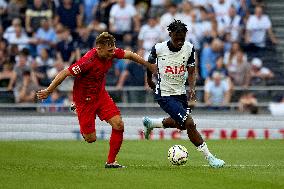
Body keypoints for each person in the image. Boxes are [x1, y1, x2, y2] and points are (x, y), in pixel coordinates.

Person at [37, 32, 155, 168]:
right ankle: (77, 109)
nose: (113, 53)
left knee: (119, 124)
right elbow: (65, 73)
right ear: (99, 48)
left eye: (113, 49)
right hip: (84, 100)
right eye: (110, 51)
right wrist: (49, 90)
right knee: (91, 139)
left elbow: (129, 54)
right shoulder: (87, 61)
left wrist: (148, 65)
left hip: (100, 95)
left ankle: (111, 162)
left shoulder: (111, 52)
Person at [143, 20, 225, 168]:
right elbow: (149, 64)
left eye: (183, 38)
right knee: (189, 123)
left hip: (180, 93)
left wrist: (192, 89)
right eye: (177, 38)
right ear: (170, 34)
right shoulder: (158, 48)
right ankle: (210, 158)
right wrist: (149, 80)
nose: (180, 41)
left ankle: (151, 123)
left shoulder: (189, 48)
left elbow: (192, 71)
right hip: (164, 94)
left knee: (181, 125)